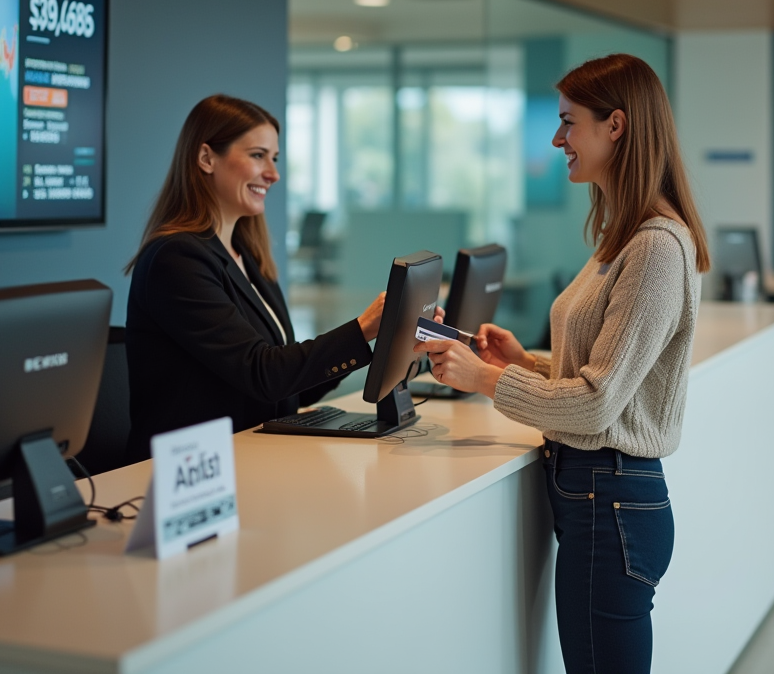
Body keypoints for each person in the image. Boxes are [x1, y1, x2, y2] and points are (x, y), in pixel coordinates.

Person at [415, 54, 710, 674]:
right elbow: (604, 376)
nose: (557, 139)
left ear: (616, 127)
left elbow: (601, 403)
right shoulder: (624, 237)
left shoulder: (655, 245)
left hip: (612, 499)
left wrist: (487, 379)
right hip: (599, 496)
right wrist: (526, 361)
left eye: (568, 122)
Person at [123, 94, 384, 462]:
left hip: (252, 457)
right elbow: (264, 373)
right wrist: (362, 329)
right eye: (258, 155)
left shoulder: (250, 257)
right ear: (206, 158)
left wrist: (378, 342)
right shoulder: (177, 258)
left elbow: (289, 389)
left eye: (274, 159)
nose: (274, 174)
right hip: (192, 475)